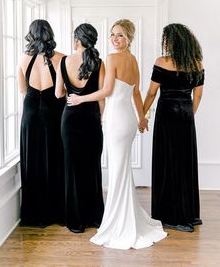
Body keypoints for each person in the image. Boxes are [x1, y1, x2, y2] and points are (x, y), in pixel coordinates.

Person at [67, 19, 167, 249]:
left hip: (116, 120)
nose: (114, 39)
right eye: (112, 34)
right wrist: (141, 118)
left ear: (129, 38)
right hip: (128, 120)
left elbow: (107, 91)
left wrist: (81, 98)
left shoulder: (111, 59)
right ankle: (125, 216)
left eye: (120, 35)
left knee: (117, 170)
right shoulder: (133, 60)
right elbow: (136, 94)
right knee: (121, 170)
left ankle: (118, 223)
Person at [142, 23, 204, 233]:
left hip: (167, 114)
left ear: (172, 41)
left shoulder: (162, 62)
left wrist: (141, 113)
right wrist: (188, 114)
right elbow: (198, 95)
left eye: (166, 38)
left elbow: (151, 93)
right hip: (186, 114)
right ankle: (190, 214)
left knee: (167, 161)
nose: (165, 42)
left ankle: (172, 216)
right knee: (184, 161)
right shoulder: (197, 62)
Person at [55, 23, 105, 233]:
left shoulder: (64, 61)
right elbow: (103, 96)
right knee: (91, 166)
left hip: (70, 119)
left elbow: (58, 94)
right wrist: (100, 117)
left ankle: (76, 221)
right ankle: (94, 217)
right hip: (91, 118)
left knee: (72, 168)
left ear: (77, 40)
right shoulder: (99, 63)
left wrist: (70, 91)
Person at [17, 19, 66, 227]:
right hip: (53, 112)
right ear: (50, 34)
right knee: (54, 158)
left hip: (30, 113)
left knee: (33, 160)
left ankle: (34, 214)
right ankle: (54, 211)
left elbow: (22, 89)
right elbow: (63, 91)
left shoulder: (23, 58)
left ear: (31, 34)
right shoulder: (60, 58)